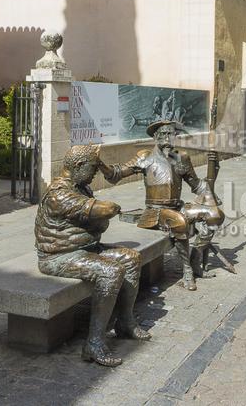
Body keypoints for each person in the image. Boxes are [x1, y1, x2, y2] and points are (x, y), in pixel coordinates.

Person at [35, 145, 151, 367]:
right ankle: (94, 343)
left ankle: (125, 322)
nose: (95, 174)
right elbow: (104, 210)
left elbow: (98, 221)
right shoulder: (59, 194)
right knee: (111, 271)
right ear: (78, 167)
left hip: (86, 249)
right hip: (58, 256)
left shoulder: (82, 187)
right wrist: (112, 209)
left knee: (131, 258)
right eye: (93, 169)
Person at [97, 120, 218, 291]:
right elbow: (116, 174)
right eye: (163, 134)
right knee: (180, 221)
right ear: (155, 137)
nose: (168, 137)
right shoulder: (145, 156)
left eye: (171, 133)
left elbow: (197, 185)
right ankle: (187, 270)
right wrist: (100, 163)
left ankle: (195, 260)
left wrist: (213, 178)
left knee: (214, 216)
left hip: (177, 206)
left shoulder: (181, 157)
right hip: (155, 211)